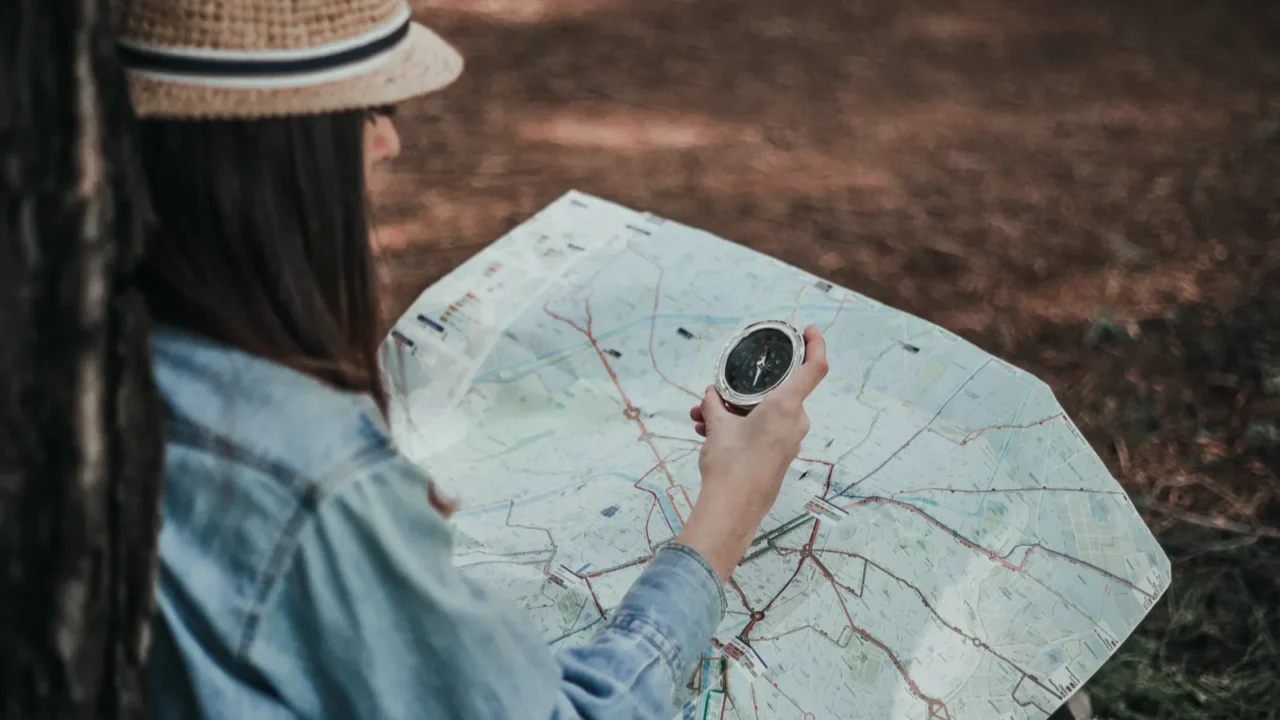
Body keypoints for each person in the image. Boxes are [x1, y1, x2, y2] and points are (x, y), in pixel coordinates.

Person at [124, 0, 829, 717]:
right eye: (371, 108)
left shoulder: (73, 369)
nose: (388, 142)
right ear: (272, 152)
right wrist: (730, 509)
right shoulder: (308, 472)